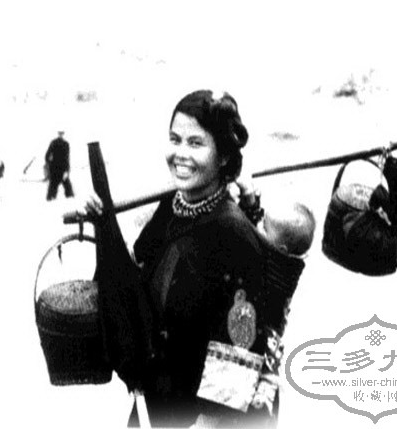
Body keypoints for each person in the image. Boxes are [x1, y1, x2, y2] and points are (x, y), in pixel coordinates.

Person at [83, 90, 304, 428]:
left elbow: (239, 352)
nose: (180, 154)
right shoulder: (171, 209)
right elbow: (133, 285)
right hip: (153, 406)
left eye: (195, 143)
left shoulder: (235, 236)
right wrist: (103, 223)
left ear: (224, 157)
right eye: (175, 140)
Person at [45, 130, 74, 201]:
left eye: (62, 133)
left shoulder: (65, 144)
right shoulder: (56, 143)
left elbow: (67, 158)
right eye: (60, 133)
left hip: (60, 169)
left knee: (66, 186)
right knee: (54, 187)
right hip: (56, 169)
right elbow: (47, 156)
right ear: (58, 134)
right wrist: (50, 164)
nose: (61, 135)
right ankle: (51, 201)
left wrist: (67, 170)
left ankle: (70, 200)